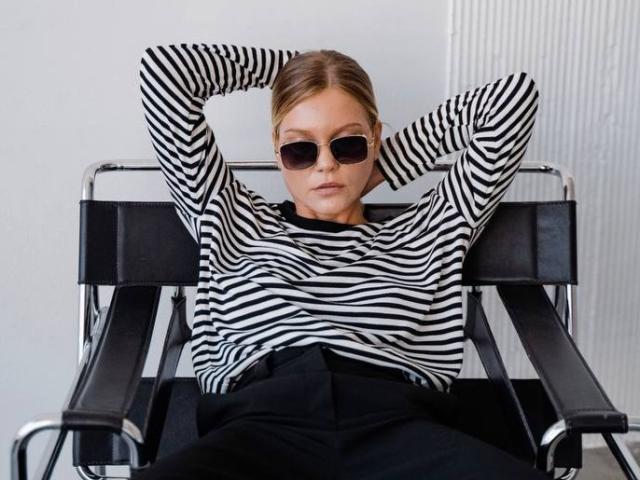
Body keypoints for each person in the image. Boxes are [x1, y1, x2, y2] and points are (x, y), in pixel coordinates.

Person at [135, 43, 546, 479]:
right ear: (276, 147)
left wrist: (379, 166)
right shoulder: (228, 216)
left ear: (375, 137)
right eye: (301, 149)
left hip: (397, 428)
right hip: (257, 429)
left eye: (347, 145)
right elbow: (166, 72)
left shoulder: (429, 231)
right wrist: (300, 70)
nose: (326, 165)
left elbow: (511, 101)